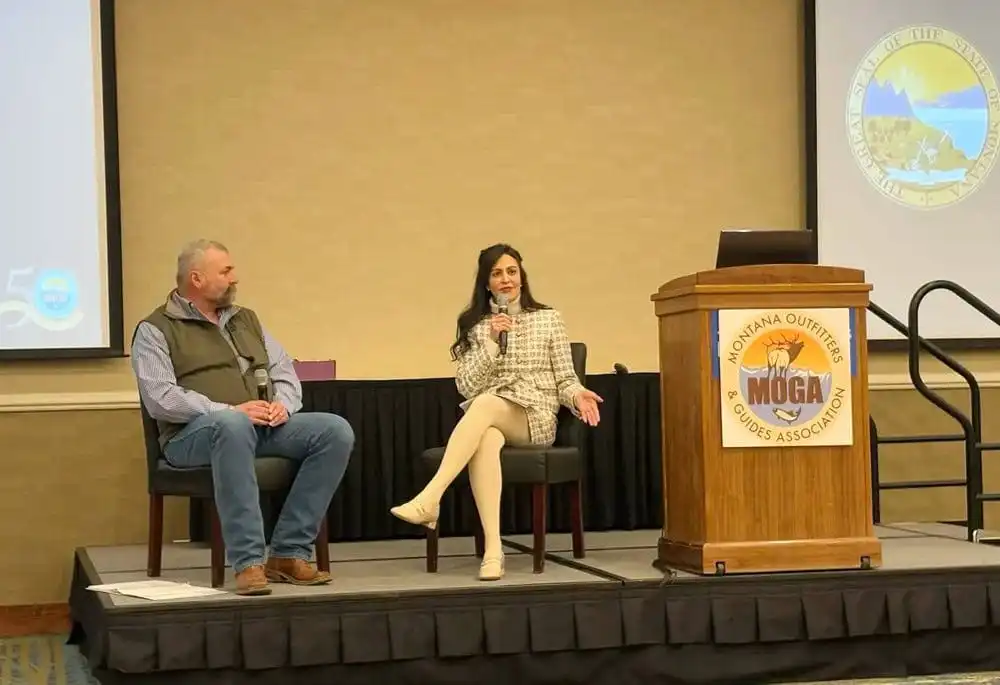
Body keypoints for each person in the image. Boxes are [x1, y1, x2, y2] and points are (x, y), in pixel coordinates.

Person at [131, 239, 355, 596]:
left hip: (257, 425)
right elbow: (160, 398)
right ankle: (248, 562)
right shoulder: (155, 329)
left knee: (334, 430)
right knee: (232, 426)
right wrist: (227, 410)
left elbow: (283, 369)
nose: (235, 278)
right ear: (197, 279)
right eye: (225, 271)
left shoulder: (245, 319)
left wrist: (283, 405)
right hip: (190, 436)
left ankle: (288, 552)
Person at [391, 243, 602, 581]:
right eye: (497, 273)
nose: (506, 279)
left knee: (484, 404)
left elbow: (565, 378)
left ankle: (431, 497)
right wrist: (490, 341)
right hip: (491, 415)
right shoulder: (476, 326)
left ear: (522, 277)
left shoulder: (548, 319)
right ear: (487, 283)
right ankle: (493, 551)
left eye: (512, 272)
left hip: (534, 416)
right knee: (486, 435)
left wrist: (578, 396)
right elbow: (466, 386)